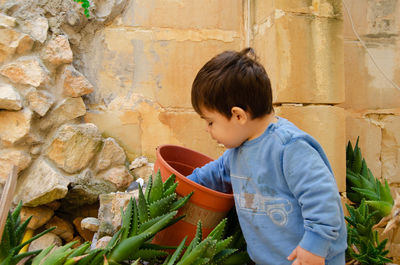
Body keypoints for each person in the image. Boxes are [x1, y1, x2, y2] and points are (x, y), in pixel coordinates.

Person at [186, 48, 347, 265]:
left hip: (309, 259)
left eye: (210, 122)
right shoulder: (236, 152)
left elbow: (323, 198)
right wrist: (181, 184)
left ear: (238, 115)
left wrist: (314, 246)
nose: (207, 129)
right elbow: (211, 175)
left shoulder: (289, 147)